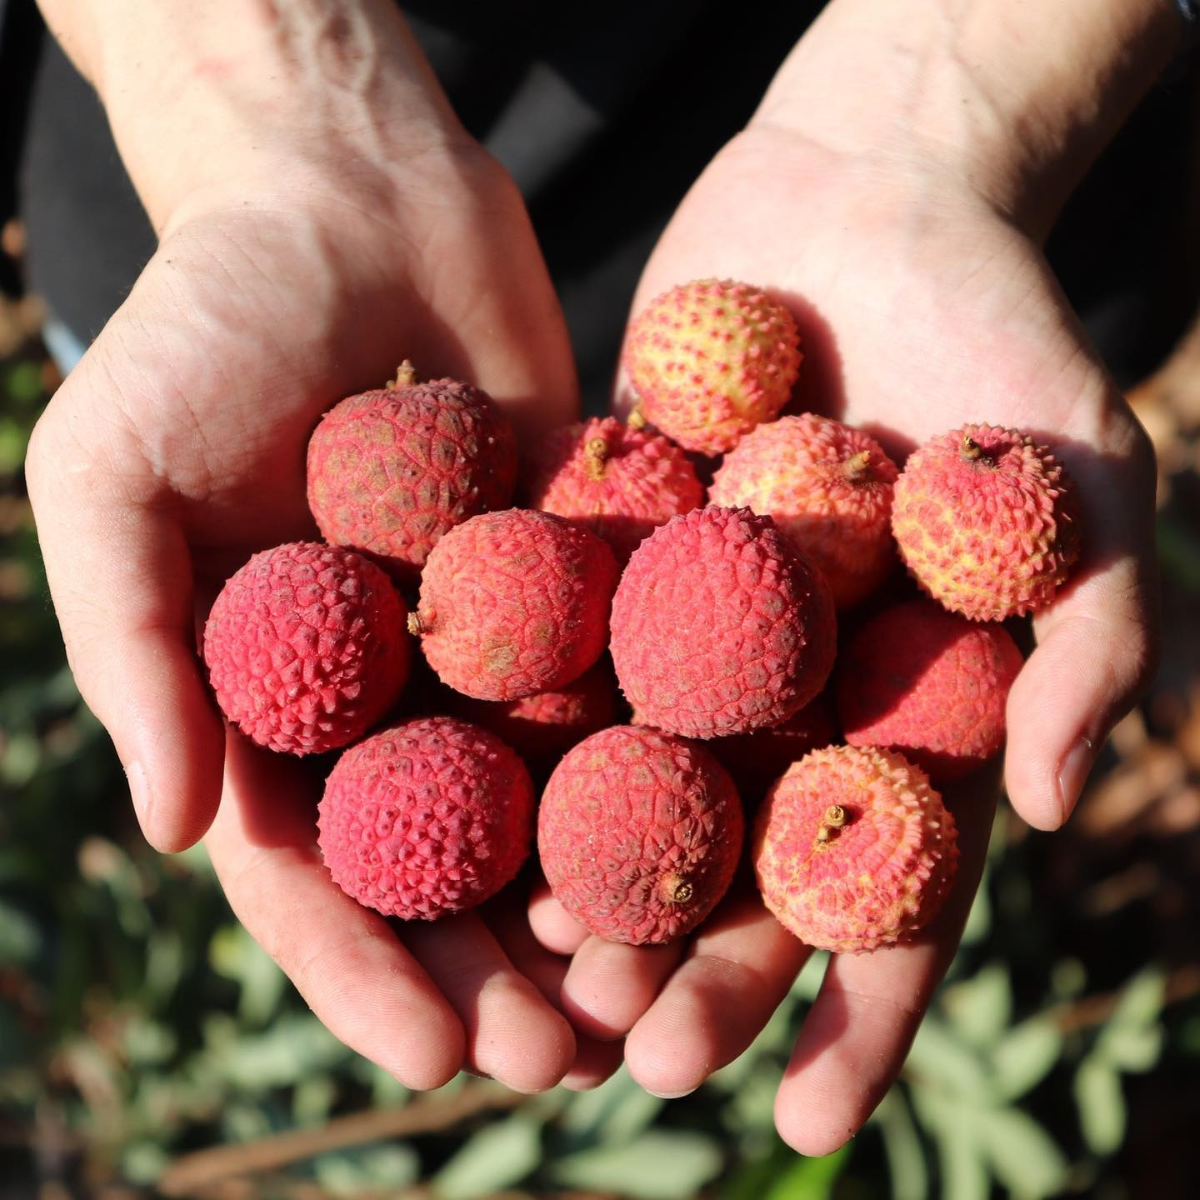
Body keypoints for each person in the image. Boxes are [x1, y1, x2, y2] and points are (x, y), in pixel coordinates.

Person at [14, 0, 1183, 1155]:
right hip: (253, 262)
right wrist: (273, 123)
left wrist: (944, 121)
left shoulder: (774, 532)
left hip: (939, 240)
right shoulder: (441, 582)